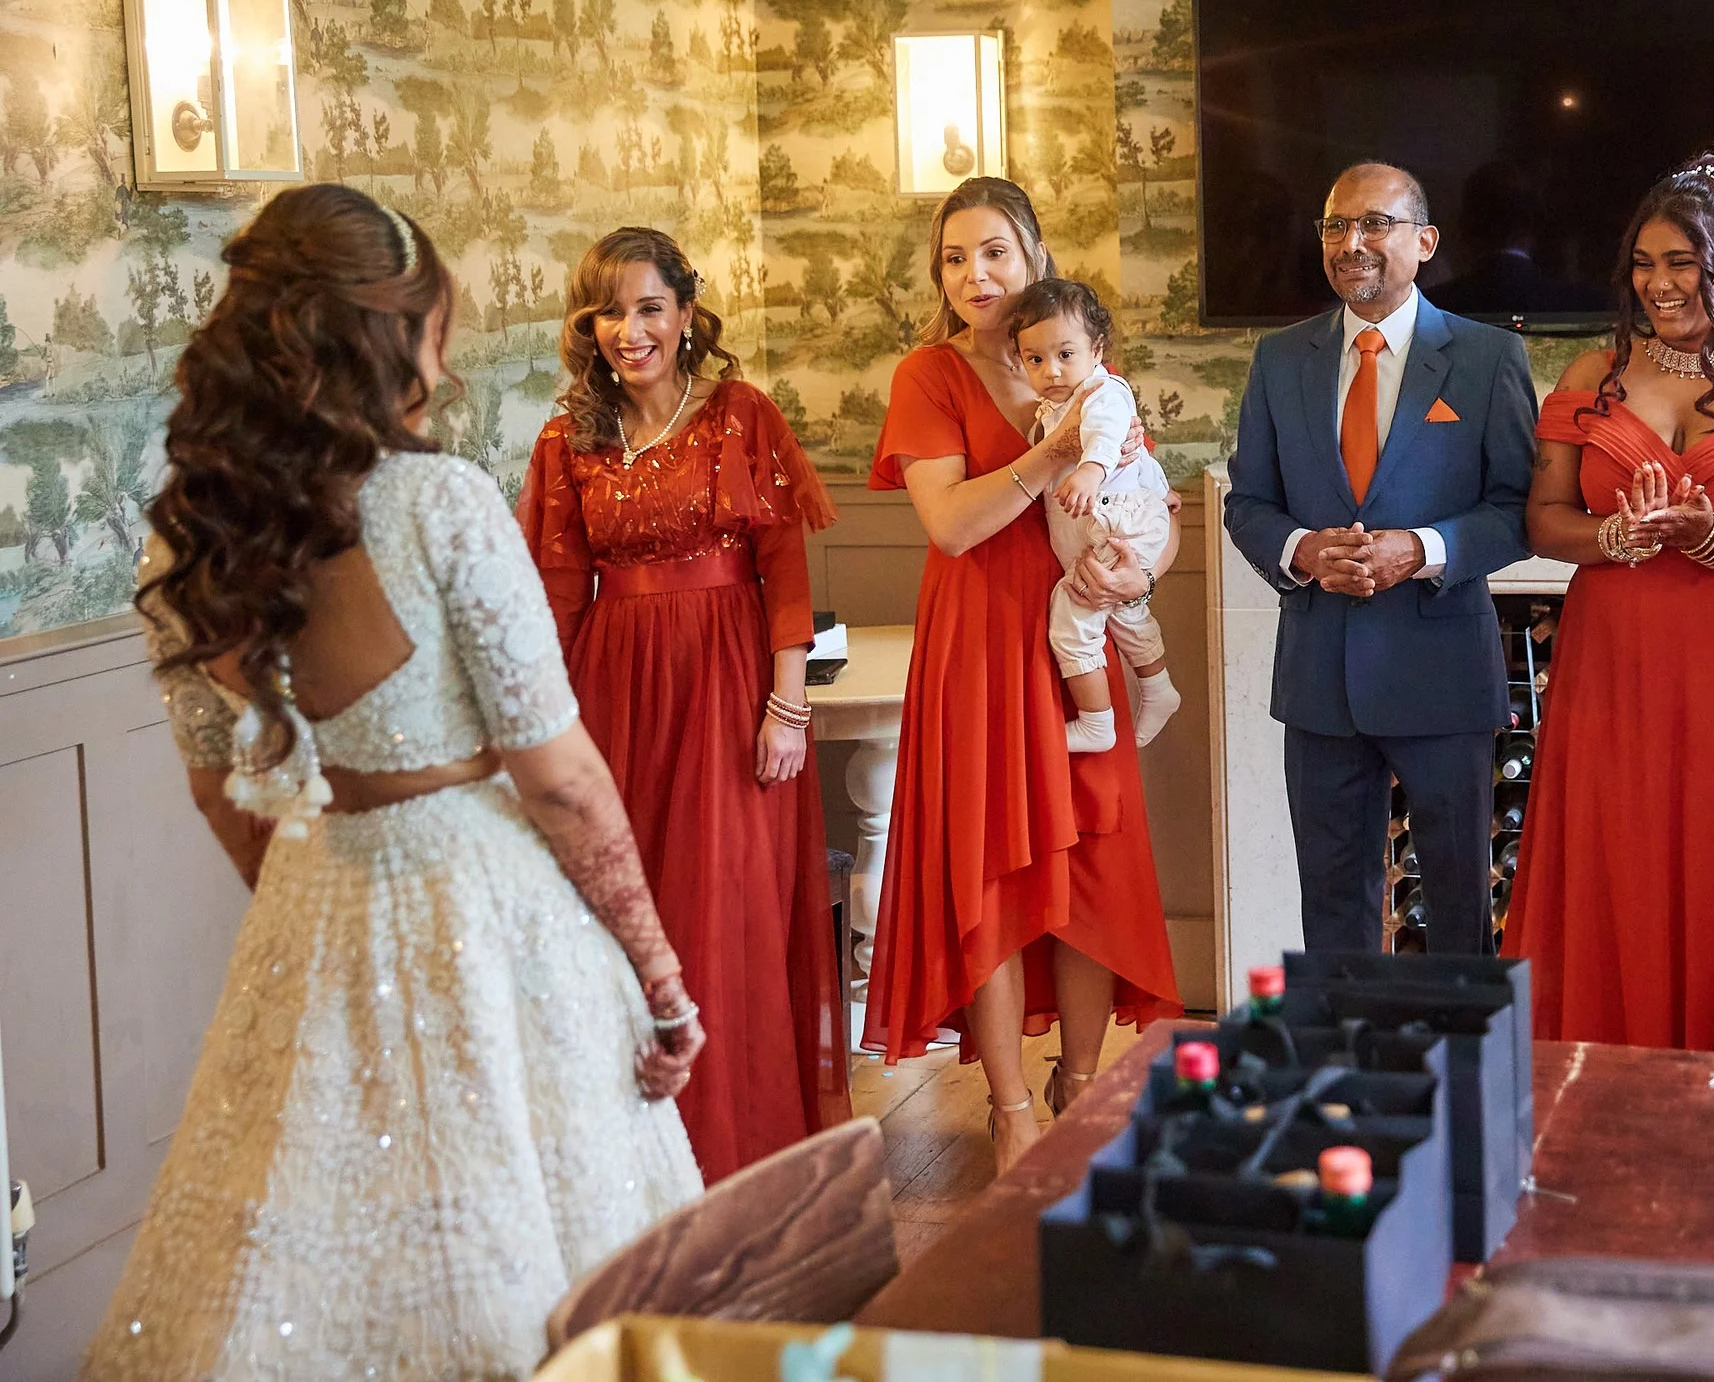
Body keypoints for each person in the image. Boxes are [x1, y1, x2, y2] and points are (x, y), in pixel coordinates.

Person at [86, 186, 701, 1382]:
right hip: (488, 902)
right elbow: (564, 778)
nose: (444, 348)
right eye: (434, 322)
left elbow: (222, 790)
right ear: (393, 332)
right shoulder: (442, 502)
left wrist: (323, 911)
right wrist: (657, 971)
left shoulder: (188, 536)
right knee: (544, 1247)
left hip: (315, 890)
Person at [1500, 156, 1714, 1055]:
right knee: (1624, 865)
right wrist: (1615, 538)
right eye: (1644, 264)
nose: (1658, 284)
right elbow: (1543, 521)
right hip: (1619, 661)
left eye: (1682, 262)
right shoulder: (1592, 372)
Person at [868, 176, 1180, 1170]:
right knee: (996, 869)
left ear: (1035, 255)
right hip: (980, 649)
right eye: (955, 258)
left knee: (1087, 858)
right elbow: (952, 524)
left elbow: (1153, 513)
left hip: (1075, 637)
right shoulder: (930, 374)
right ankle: (1010, 1108)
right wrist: (1052, 452)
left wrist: (1142, 564)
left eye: (995, 250)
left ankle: (1081, 1085)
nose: (976, 274)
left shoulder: (1087, 367)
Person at [517, 226, 837, 1184]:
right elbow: (556, 596)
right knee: (630, 912)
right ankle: (636, 1168)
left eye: (649, 306)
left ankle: (738, 1158)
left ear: (687, 315)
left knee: (725, 912)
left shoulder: (742, 413)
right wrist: (547, 742)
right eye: (610, 311)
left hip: (731, 683)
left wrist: (787, 708)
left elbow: (784, 569)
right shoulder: (566, 437)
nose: (630, 329)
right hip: (616, 693)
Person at [1224, 161, 1538, 957]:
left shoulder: (1487, 357)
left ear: (1426, 241)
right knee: (1332, 913)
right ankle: (1349, 1076)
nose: (1351, 243)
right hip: (1319, 681)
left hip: (1442, 677)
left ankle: (1461, 1077)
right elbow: (1248, 503)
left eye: (1374, 223)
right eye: (1335, 226)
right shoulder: (1279, 358)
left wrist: (1422, 550)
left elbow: (1516, 511)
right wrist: (1301, 550)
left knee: (1463, 907)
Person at [1004, 277, 1184, 753]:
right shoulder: (1054, 406)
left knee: (1073, 612)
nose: (1052, 370)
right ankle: (1158, 687)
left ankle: (1096, 722)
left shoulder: (1100, 392)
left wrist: (1088, 470)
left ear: (1096, 348)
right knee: (1121, 607)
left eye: (1065, 355)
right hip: (1116, 520)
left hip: (1117, 518)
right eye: (1035, 359)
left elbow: (1105, 432)